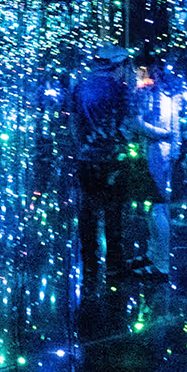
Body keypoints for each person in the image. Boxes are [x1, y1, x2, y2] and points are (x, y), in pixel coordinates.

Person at [70, 44, 134, 284]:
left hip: (86, 159)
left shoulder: (81, 85)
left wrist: (82, 149)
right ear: (119, 65)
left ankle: (89, 265)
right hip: (111, 160)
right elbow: (128, 124)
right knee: (113, 212)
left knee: (87, 213)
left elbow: (74, 124)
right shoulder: (120, 89)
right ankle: (114, 266)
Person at [133, 55, 182, 281]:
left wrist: (170, 149)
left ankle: (161, 262)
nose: (153, 77)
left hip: (157, 157)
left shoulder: (167, 100)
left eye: (156, 73)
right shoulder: (151, 97)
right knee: (152, 209)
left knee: (156, 209)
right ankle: (154, 255)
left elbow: (172, 131)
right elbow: (143, 124)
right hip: (153, 155)